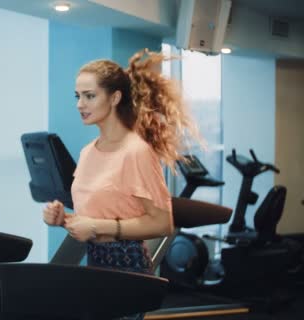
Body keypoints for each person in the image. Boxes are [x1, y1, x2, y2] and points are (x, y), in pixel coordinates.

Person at [42, 49, 201, 320]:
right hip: (95, 262)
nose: (80, 104)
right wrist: (64, 219)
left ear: (115, 97)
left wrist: (98, 227)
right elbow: (99, 213)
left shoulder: (136, 152)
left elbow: (162, 223)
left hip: (127, 267)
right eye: (77, 96)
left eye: (89, 96)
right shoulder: (88, 152)